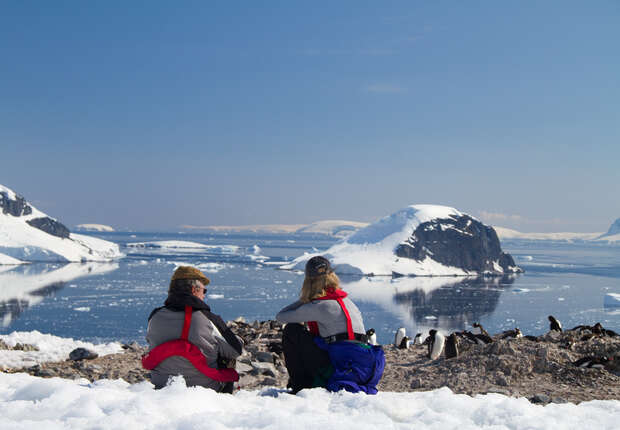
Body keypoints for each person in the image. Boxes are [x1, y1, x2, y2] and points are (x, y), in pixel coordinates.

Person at [275, 256, 385, 394]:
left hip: (341, 366)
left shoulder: (320, 305)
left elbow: (281, 317)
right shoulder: (347, 301)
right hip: (362, 368)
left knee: (292, 331)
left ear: (309, 281)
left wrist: (306, 300)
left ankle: (300, 386)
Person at [142, 266, 243, 392]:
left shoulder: (155, 316)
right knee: (225, 356)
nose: (204, 295)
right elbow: (236, 350)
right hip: (203, 389)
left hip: (162, 387)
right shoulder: (207, 318)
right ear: (194, 290)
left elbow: (150, 342)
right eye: (204, 291)